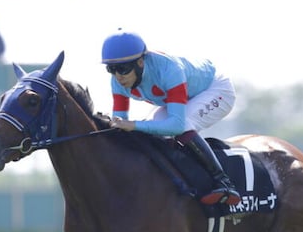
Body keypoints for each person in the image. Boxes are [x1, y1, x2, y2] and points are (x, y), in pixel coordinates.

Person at [101, 30, 241, 206]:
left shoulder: (169, 69)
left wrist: (134, 125)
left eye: (122, 69)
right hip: (188, 96)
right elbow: (120, 123)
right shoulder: (117, 81)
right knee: (154, 130)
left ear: (140, 62)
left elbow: (176, 125)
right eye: (111, 69)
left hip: (216, 89)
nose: (118, 76)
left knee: (181, 125)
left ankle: (224, 182)